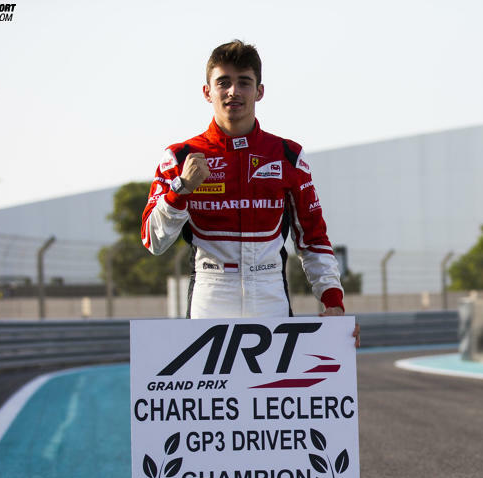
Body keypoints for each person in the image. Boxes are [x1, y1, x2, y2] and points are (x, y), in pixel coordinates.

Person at [141, 40, 358, 344]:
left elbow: (313, 238)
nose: (233, 92)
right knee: (209, 393)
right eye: (223, 82)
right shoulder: (178, 158)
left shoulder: (287, 155)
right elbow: (153, 240)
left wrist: (333, 302)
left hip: (269, 292)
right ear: (207, 92)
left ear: (259, 91)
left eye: (244, 82)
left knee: (278, 392)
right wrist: (181, 188)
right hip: (210, 292)